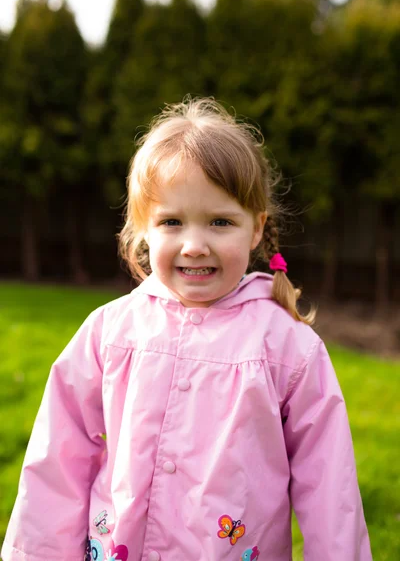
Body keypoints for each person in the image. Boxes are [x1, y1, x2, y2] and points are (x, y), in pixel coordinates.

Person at [2, 98, 372, 561]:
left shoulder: (287, 348)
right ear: (144, 229)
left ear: (256, 229)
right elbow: (57, 460)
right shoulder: (111, 332)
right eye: (172, 222)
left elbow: (329, 486)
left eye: (220, 222)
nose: (194, 245)